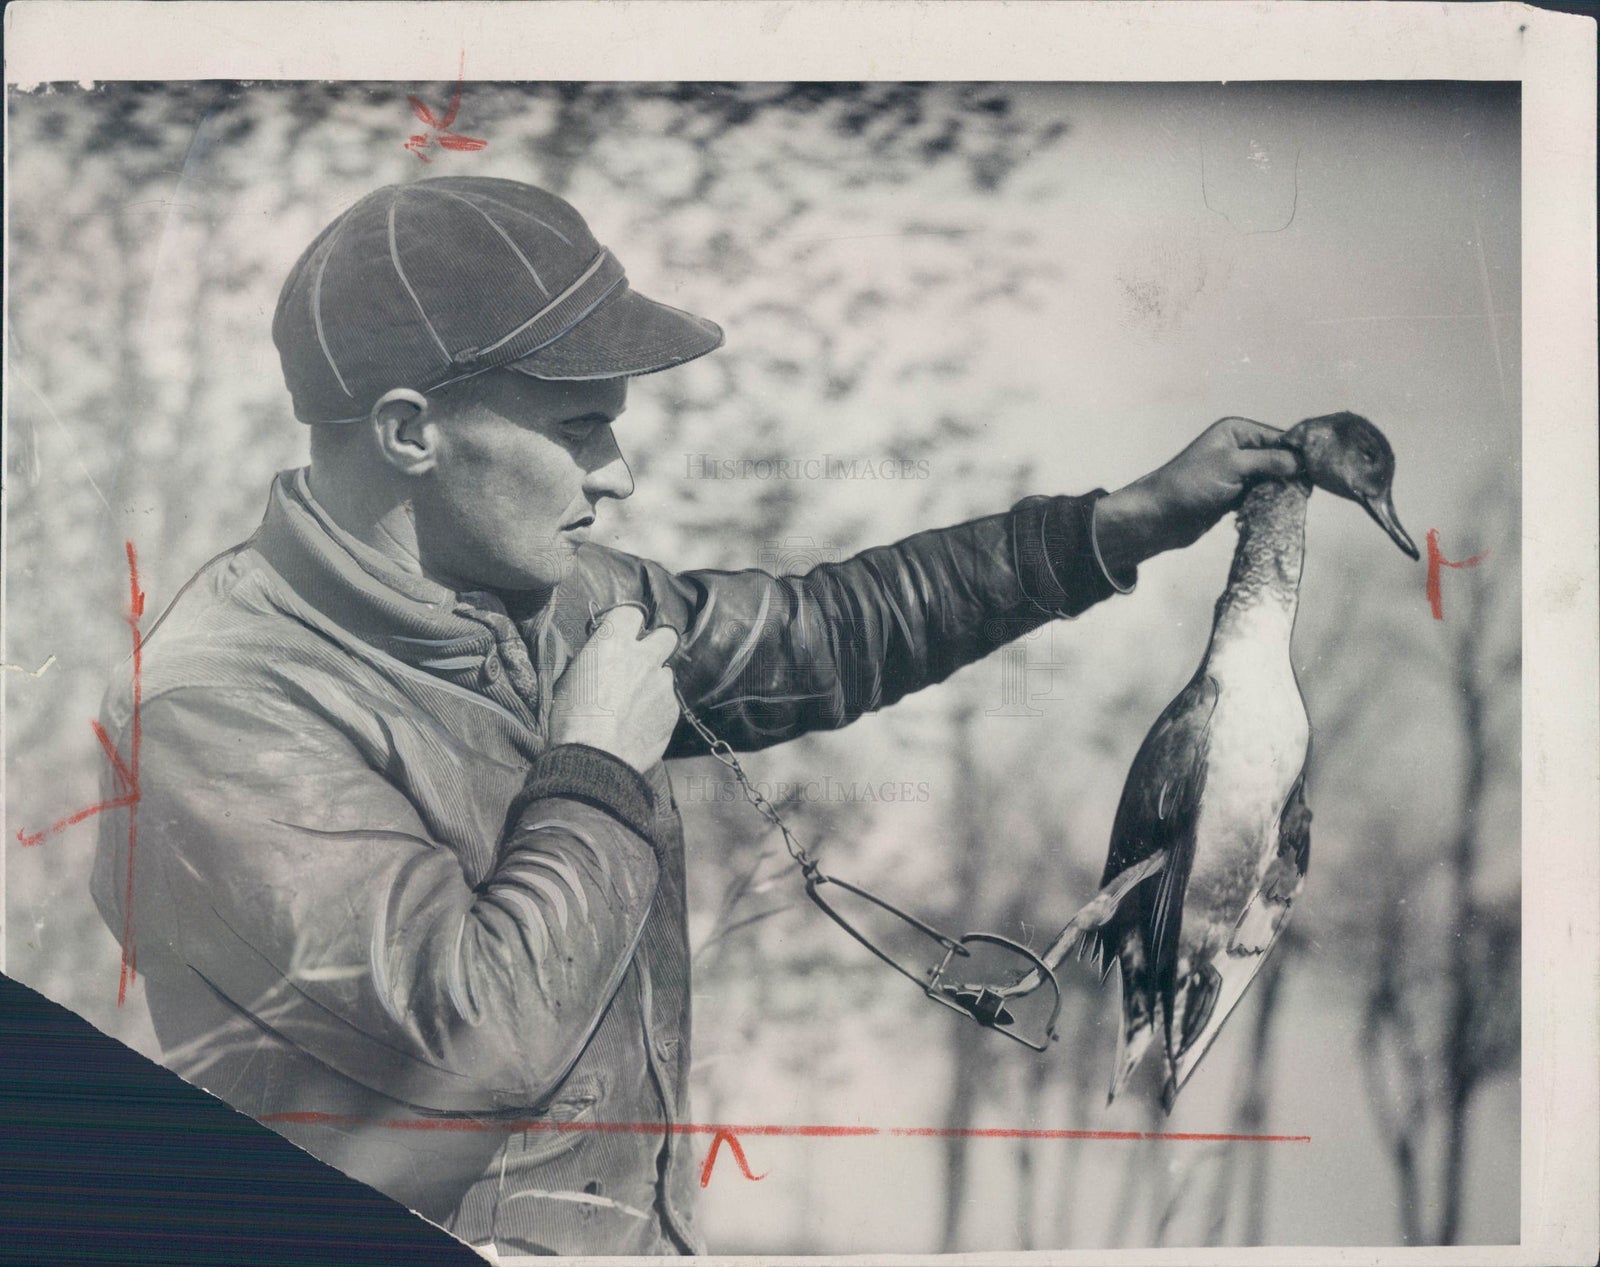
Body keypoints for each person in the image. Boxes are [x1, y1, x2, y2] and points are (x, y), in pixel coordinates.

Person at [90, 176, 1301, 1258]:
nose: (618, 473)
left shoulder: (553, 599)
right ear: (410, 431)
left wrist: (1118, 523)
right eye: (578, 428)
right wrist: (593, 768)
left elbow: (829, 630)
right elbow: (482, 1040)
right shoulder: (213, 716)